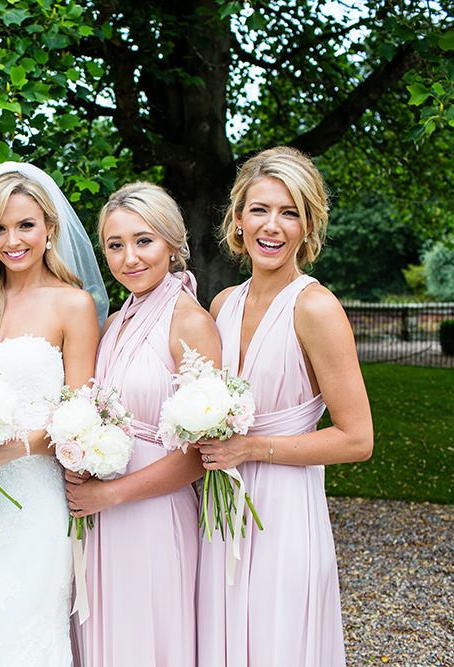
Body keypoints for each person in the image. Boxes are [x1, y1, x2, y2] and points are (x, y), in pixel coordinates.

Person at [196, 146, 374, 666]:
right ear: (238, 219)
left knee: (277, 641)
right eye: (260, 209)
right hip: (220, 506)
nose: (272, 226)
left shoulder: (315, 307)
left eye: (289, 211)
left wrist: (250, 447)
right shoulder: (222, 304)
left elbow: (357, 439)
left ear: (307, 225)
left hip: (285, 508)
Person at [0, 161, 107, 666]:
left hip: (36, 500)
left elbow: (81, 420)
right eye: (0, 228)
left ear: (49, 229)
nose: (13, 239)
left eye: (26, 225)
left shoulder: (73, 305)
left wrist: (13, 448)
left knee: (26, 631)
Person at [66, 182, 221, 666]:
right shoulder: (113, 323)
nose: (129, 257)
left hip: (153, 512)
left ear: (173, 245)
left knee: (148, 639)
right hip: (102, 515)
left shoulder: (189, 322)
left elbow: (205, 454)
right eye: (115, 245)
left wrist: (108, 494)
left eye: (144, 241)